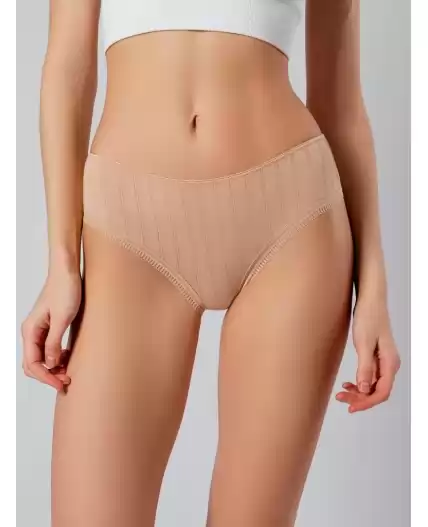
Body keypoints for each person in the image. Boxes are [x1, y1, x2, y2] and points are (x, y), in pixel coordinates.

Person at [21, 1, 401, 525]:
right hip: (129, 234)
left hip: (290, 225)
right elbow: (67, 68)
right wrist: (61, 263)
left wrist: (374, 286)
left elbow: (341, 105)